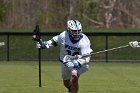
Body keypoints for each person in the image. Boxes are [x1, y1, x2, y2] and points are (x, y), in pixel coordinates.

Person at [34, 20, 93, 93]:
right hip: (64, 62)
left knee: (74, 78)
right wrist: (44, 44)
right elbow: (54, 41)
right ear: (69, 30)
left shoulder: (84, 41)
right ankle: (70, 89)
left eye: (78, 31)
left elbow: (86, 58)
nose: (77, 33)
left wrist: (76, 63)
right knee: (66, 83)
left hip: (77, 62)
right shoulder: (63, 36)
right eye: (74, 31)